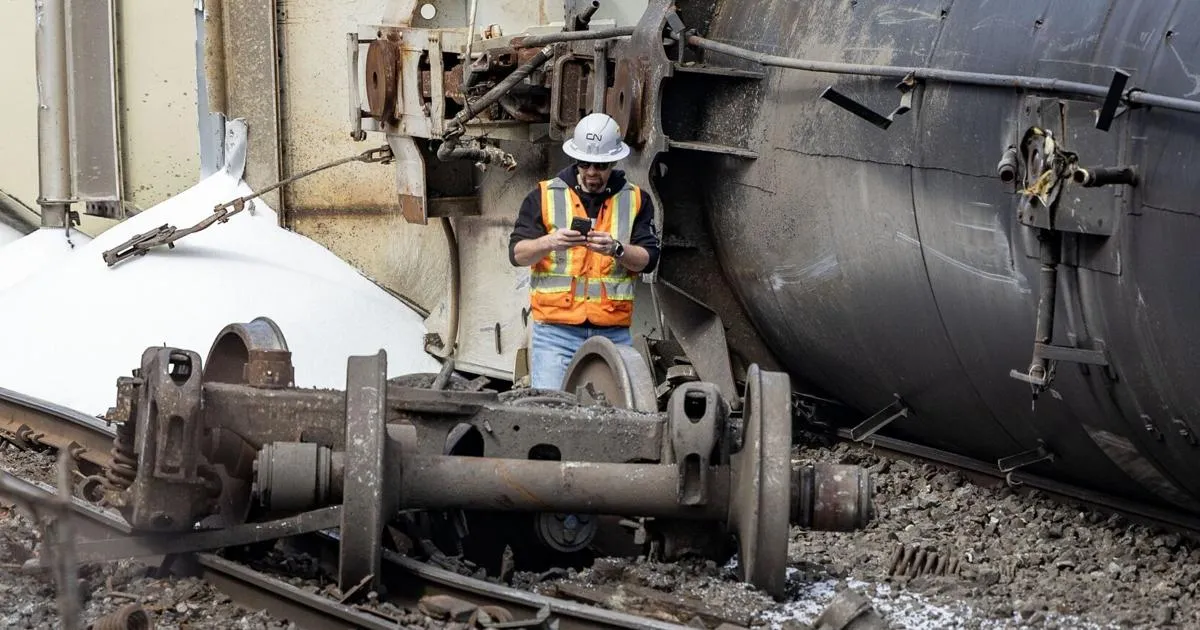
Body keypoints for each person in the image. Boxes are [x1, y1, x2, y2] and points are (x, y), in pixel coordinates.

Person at [508, 113, 661, 390]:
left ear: (614, 161)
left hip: (612, 332)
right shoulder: (543, 195)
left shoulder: (637, 200)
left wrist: (617, 249)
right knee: (551, 412)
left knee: (617, 419)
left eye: (601, 165)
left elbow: (648, 260)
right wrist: (550, 242)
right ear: (575, 159)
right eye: (585, 163)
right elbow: (518, 255)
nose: (592, 172)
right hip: (555, 332)